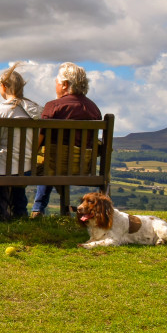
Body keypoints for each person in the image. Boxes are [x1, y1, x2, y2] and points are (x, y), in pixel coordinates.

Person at [31, 62, 101, 218]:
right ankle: (58, 209)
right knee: (53, 163)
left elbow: (39, 138)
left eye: (56, 83)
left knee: (45, 164)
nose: (55, 86)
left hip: (53, 165)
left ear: (64, 84)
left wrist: (28, 156)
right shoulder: (94, 109)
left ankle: (34, 210)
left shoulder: (54, 106)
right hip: (82, 167)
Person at [0, 62, 42, 219]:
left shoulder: (0, 111)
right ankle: (19, 212)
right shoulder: (36, 110)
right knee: (16, 165)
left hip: (2, 167)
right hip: (27, 167)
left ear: (3, 86)